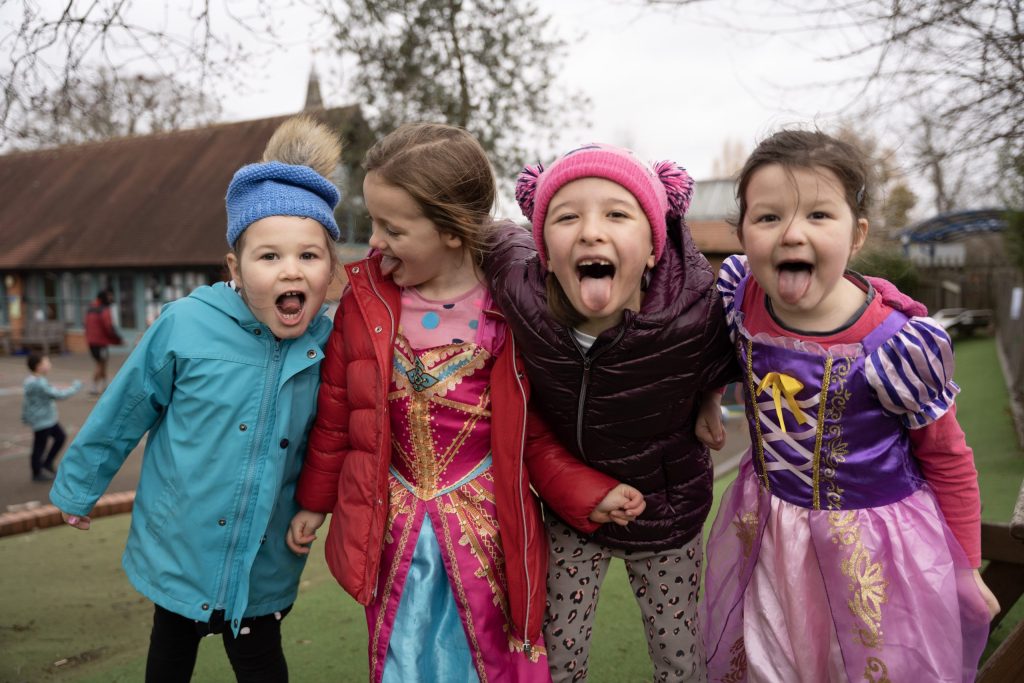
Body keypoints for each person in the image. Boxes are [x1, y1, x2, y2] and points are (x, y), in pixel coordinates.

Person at [287, 123, 646, 683]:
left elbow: (532, 437)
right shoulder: (364, 304)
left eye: (393, 228)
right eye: (374, 222)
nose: (375, 242)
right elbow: (339, 416)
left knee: (484, 658)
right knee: (401, 654)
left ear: (452, 231)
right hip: (391, 535)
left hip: (486, 535)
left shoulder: (512, 312)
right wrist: (314, 500)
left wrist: (589, 491)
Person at [50, 115, 342, 683]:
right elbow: (126, 407)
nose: (291, 269)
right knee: (169, 660)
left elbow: (338, 434)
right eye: (269, 257)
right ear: (236, 266)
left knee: (262, 663)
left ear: (331, 270)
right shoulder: (186, 325)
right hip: (180, 544)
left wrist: (319, 502)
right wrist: (79, 486)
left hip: (264, 555)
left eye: (309, 256)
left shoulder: (330, 343)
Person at [701, 129, 999, 682]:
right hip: (770, 529)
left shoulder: (895, 343)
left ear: (856, 233)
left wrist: (966, 567)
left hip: (875, 546)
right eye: (767, 218)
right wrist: (708, 401)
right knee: (772, 659)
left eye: (818, 215)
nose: (792, 233)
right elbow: (717, 357)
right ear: (742, 232)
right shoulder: (742, 297)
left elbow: (949, 457)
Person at [487, 143, 740, 682]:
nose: (591, 231)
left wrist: (710, 399)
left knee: (679, 657)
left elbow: (727, 350)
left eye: (617, 214)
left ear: (653, 248)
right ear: (545, 253)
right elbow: (484, 234)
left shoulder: (691, 313)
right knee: (555, 652)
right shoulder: (520, 290)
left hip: (665, 508)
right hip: (571, 512)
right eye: (567, 216)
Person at [21, 353, 81, 481]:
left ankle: (47, 464)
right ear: (39, 366)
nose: (49, 365)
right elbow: (58, 394)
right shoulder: (38, 383)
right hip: (42, 420)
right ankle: (37, 472)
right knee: (39, 446)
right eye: (46, 362)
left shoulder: (34, 380)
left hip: (47, 419)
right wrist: (75, 387)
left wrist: (25, 416)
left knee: (60, 437)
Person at [84, 289, 123, 395]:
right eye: (109, 296)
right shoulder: (104, 310)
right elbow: (109, 327)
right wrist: (118, 339)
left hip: (91, 341)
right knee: (100, 364)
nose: (111, 299)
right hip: (100, 342)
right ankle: (94, 387)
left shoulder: (90, 308)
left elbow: (86, 325)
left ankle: (104, 385)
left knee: (102, 363)